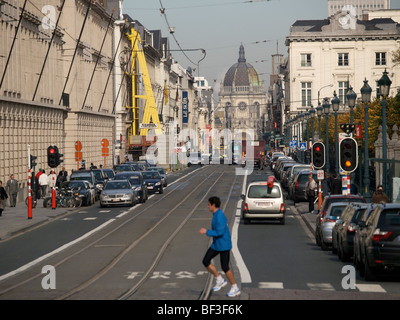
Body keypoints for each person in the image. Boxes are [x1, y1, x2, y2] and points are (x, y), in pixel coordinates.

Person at [199, 196, 240, 297]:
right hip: (217, 244)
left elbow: (220, 232)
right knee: (205, 260)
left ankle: (235, 287)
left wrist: (206, 231)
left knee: (225, 267)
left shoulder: (219, 216)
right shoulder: (216, 214)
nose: (207, 206)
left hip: (224, 245)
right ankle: (219, 279)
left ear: (213, 205)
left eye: (208, 204)